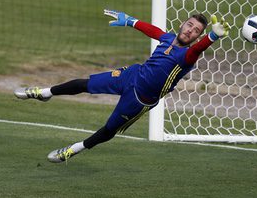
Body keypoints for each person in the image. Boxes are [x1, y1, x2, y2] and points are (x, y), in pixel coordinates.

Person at [14, 9, 230, 163]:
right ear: (183, 23)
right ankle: (44, 93)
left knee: (109, 129)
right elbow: (153, 31)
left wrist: (212, 37)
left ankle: (73, 149)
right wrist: (130, 21)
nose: (190, 30)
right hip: (131, 75)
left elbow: (197, 50)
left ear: (197, 36)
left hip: (140, 99)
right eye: (189, 25)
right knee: (84, 84)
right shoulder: (169, 38)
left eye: (196, 30)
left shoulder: (187, 56)